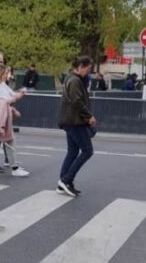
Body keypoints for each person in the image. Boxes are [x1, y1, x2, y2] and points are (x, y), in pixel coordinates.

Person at [58, 56, 96, 197]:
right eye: (88, 68)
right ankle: (66, 180)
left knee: (73, 152)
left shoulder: (72, 78)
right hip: (75, 121)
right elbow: (77, 101)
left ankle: (63, 183)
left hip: (70, 120)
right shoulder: (75, 80)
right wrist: (89, 116)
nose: (89, 72)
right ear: (80, 66)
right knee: (87, 150)